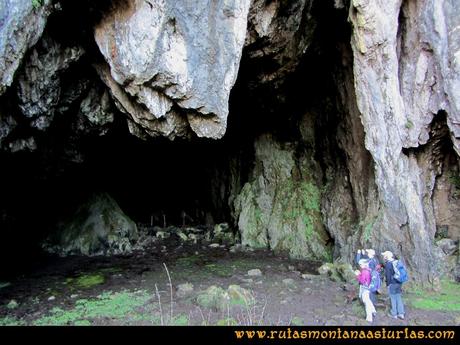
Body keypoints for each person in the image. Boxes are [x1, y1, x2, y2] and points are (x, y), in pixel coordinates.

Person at [381, 251, 405, 320]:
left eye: (384, 256)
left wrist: (388, 284)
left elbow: (388, 276)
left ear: (387, 256)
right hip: (399, 282)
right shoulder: (396, 262)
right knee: (398, 297)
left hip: (392, 283)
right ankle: (401, 313)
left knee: (393, 298)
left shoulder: (388, 264)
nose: (383, 257)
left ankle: (394, 314)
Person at [355, 259, 377, 323]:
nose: (360, 265)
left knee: (366, 301)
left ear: (364, 264)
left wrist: (358, 275)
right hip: (368, 287)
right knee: (367, 300)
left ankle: (369, 317)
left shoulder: (365, 271)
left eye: (361, 264)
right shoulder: (369, 269)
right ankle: (373, 310)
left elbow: (362, 281)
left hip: (365, 288)